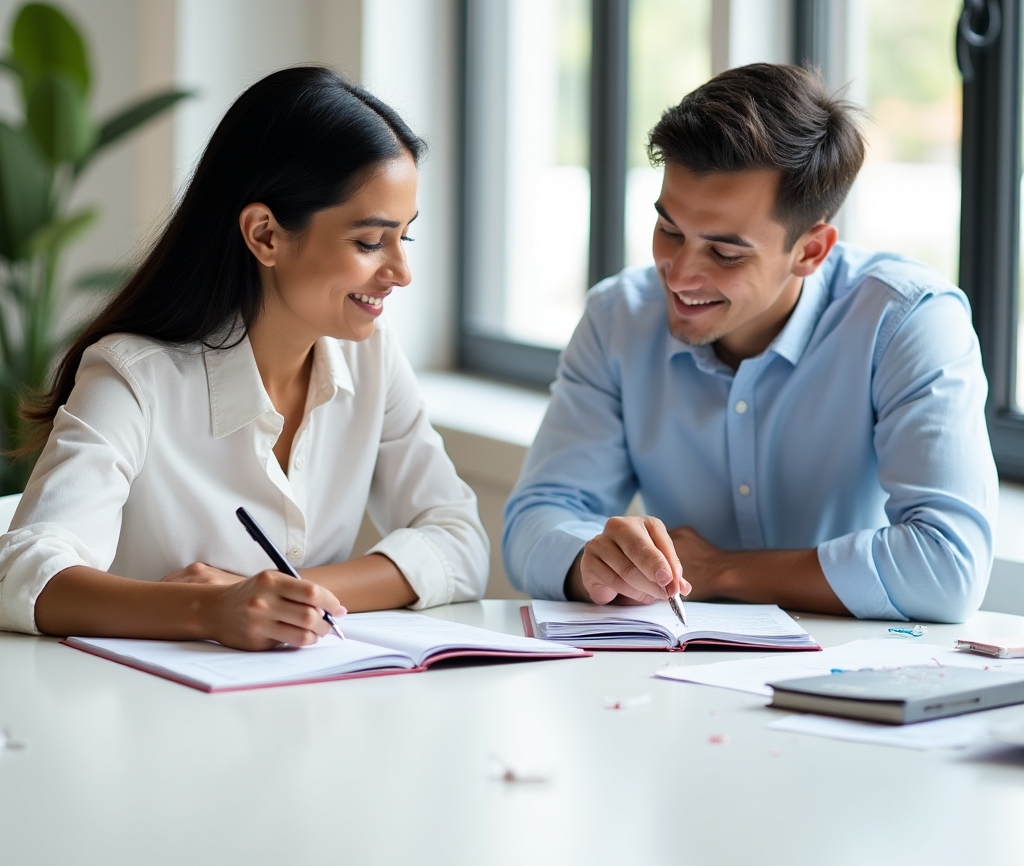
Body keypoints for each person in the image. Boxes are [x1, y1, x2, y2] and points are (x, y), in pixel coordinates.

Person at [0, 67, 488, 648]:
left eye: (403, 236)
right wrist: (208, 611)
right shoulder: (132, 376)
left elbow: (459, 540)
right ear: (265, 235)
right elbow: (22, 573)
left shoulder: (371, 358)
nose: (401, 273)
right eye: (368, 242)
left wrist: (283, 595)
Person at [503, 63, 997, 623]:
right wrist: (591, 560)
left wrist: (721, 570)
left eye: (725, 253)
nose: (679, 274)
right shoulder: (618, 317)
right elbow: (535, 520)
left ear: (810, 251)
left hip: (852, 664)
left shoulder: (909, 321)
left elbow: (947, 568)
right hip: (671, 663)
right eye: (669, 230)